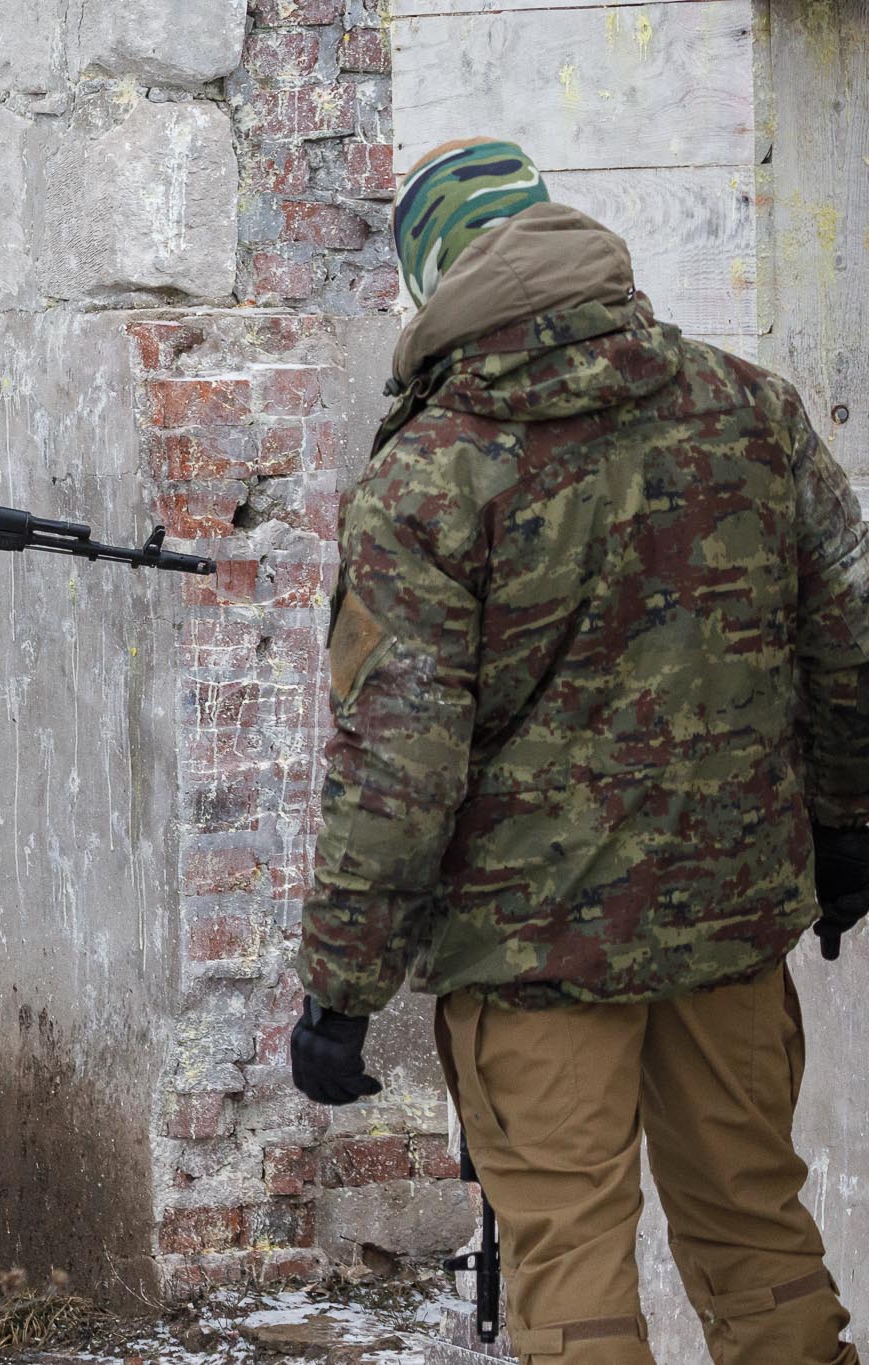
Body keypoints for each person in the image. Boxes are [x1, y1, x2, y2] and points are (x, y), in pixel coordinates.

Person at [288, 137, 866, 1364]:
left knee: (568, 1268)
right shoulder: (748, 411)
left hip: (530, 954)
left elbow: (398, 763)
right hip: (724, 928)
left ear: (434, 280)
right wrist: (850, 826)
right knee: (755, 1234)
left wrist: (342, 986)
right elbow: (849, 646)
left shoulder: (429, 475)